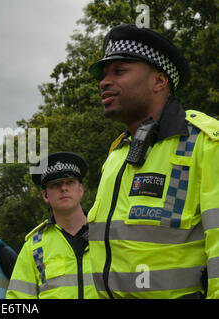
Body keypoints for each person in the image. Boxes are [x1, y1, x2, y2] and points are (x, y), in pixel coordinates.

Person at [87, 24, 219, 299]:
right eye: (104, 75)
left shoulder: (205, 144)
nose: (104, 82)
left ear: (160, 81)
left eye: (119, 71)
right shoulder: (116, 155)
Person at [7, 152, 98, 299]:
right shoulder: (33, 246)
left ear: (80, 189)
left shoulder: (106, 233)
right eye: (56, 185)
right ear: (45, 195)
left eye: (70, 182)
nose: (63, 188)